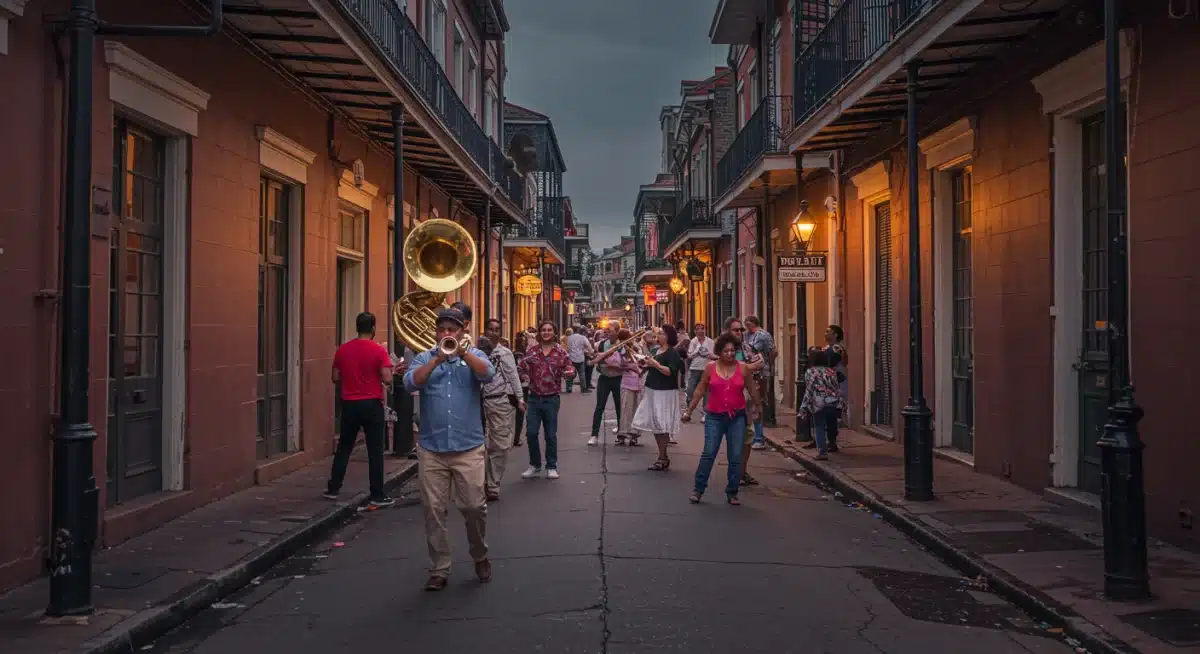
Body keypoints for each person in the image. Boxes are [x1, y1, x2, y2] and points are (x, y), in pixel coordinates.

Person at [403, 307, 496, 591]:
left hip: (468, 447)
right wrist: (437, 359)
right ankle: (439, 568)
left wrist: (462, 354)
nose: (446, 334)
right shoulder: (424, 358)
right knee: (433, 510)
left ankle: (479, 554)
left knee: (473, 507)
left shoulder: (474, 357)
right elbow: (410, 383)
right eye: (442, 329)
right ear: (436, 332)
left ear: (461, 331)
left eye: (451, 329)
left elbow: (488, 374)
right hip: (432, 448)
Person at [682, 333, 762, 506]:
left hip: (736, 417)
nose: (730, 354)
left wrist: (758, 407)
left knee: (735, 455)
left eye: (733, 350)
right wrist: (689, 411)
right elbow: (700, 390)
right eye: (726, 351)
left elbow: (752, 389)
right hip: (714, 417)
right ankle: (698, 488)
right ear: (719, 351)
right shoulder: (710, 368)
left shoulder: (743, 368)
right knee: (709, 452)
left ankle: (732, 492)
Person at [325, 312, 395, 506]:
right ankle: (377, 493)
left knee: (344, 448)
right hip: (372, 404)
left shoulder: (343, 350)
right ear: (373, 328)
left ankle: (333, 488)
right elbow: (387, 378)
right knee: (375, 450)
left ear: (357, 327)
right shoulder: (379, 350)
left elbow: (335, 377)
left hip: (349, 403)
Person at [519, 320, 576, 479]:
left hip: (551, 398)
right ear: (539, 332)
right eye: (543, 330)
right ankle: (534, 464)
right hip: (534, 398)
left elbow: (570, 368)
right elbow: (521, 366)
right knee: (531, 433)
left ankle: (551, 466)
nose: (546, 332)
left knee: (550, 434)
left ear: (554, 332)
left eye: (549, 330)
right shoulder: (532, 351)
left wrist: (570, 373)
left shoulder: (561, 352)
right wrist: (523, 375)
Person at [480, 319, 524, 502]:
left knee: (500, 445)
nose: (494, 333)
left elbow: (513, 375)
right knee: (479, 446)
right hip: (478, 402)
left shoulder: (505, 353)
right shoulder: (475, 351)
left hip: (499, 400)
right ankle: (479, 482)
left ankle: (493, 484)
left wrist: (520, 398)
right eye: (490, 329)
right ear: (485, 331)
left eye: (497, 330)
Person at [632, 324, 685, 471]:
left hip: (665, 391)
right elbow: (651, 366)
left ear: (668, 336)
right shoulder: (656, 350)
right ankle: (662, 456)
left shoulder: (672, 353)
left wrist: (654, 364)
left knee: (662, 423)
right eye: (659, 333)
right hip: (652, 389)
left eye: (662, 333)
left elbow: (670, 371)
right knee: (655, 423)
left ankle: (663, 456)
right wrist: (644, 364)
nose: (658, 336)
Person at [798, 347, 843, 461]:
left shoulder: (810, 372)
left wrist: (803, 408)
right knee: (832, 424)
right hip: (832, 401)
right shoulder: (831, 371)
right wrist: (841, 402)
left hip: (818, 403)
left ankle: (822, 452)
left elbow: (809, 390)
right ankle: (832, 443)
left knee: (819, 426)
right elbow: (836, 387)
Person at [587, 329, 624, 446]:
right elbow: (594, 356)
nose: (608, 333)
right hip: (605, 378)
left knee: (620, 407)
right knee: (599, 406)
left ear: (617, 332)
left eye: (612, 331)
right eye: (607, 331)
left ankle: (621, 433)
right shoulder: (602, 344)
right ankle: (594, 435)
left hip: (618, 378)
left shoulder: (623, 344)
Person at [743, 315, 777, 446]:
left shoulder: (763, 335)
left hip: (761, 372)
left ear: (754, 323)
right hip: (750, 370)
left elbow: (771, 352)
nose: (746, 324)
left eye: (748, 322)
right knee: (750, 404)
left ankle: (758, 437)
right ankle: (753, 435)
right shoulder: (746, 335)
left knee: (758, 402)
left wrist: (769, 367)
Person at [684, 323, 716, 414]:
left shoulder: (710, 341)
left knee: (706, 391)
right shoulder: (693, 341)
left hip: (706, 369)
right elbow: (689, 355)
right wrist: (697, 351)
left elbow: (713, 354)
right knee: (691, 389)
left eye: (702, 328)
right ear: (695, 331)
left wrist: (709, 354)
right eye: (698, 329)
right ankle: (689, 407)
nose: (701, 330)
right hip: (695, 368)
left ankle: (706, 412)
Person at [512, 330, 530, 448]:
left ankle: (516, 436)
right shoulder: (520, 355)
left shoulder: (516, 354)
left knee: (519, 412)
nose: (523, 343)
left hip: (517, 386)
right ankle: (516, 437)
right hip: (520, 386)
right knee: (520, 412)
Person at [565, 327, 594, 393]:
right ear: (582, 332)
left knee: (570, 373)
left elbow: (567, 348)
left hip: (571, 358)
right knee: (582, 374)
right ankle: (583, 389)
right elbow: (589, 347)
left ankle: (569, 388)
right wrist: (591, 353)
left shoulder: (569, 338)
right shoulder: (583, 338)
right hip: (580, 358)